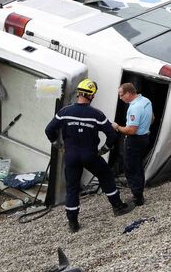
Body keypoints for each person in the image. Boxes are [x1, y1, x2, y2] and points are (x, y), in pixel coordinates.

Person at [44, 79, 135, 233]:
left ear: (78, 93)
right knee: (105, 176)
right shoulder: (96, 115)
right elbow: (111, 134)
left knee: (72, 187)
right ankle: (117, 207)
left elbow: (49, 130)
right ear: (92, 96)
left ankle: (73, 223)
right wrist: (105, 148)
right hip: (90, 154)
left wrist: (58, 145)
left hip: (71, 155)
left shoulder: (64, 112)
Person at [113, 83, 153, 206]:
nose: (120, 98)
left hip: (134, 140)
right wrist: (145, 127)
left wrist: (117, 127)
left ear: (128, 94)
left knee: (130, 168)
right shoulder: (146, 101)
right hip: (145, 137)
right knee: (138, 165)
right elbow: (153, 118)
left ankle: (137, 197)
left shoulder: (135, 107)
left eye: (121, 95)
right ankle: (139, 191)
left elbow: (131, 130)